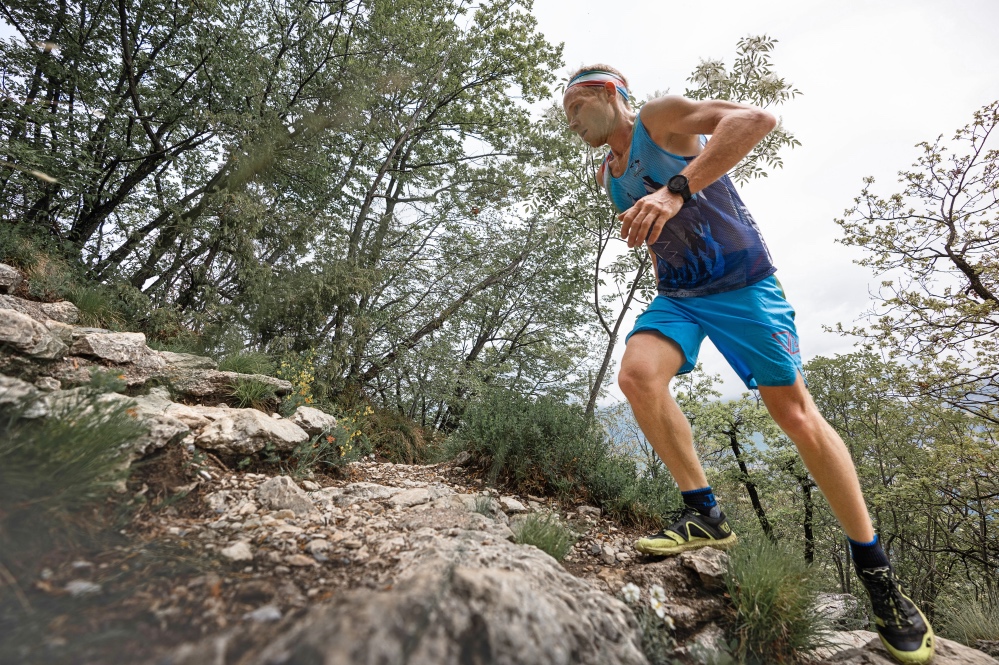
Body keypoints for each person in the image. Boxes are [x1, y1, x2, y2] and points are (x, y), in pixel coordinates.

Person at [562, 65, 934, 665]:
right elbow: (665, 233)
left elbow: (754, 120)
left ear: (609, 93)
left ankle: (879, 576)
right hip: (679, 297)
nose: (570, 122)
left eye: (575, 107)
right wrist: (653, 229)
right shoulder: (609, 173)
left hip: (744, 288)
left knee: (794, 415)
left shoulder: (661, 116)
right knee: (636, 376)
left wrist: (674, 189)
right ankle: (704, 513)